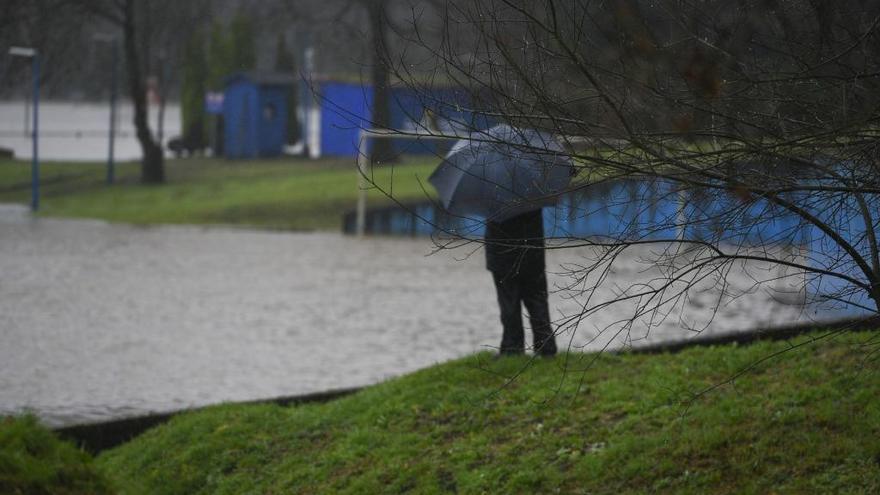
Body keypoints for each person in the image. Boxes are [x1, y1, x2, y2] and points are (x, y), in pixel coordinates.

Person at [484, 208, 557, 357]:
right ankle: (546, 347)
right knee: (538, 301)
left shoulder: (493, 193)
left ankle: (513, 348)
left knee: (509, 304)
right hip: (533, 255)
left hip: (503, 258)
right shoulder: (533, 190)